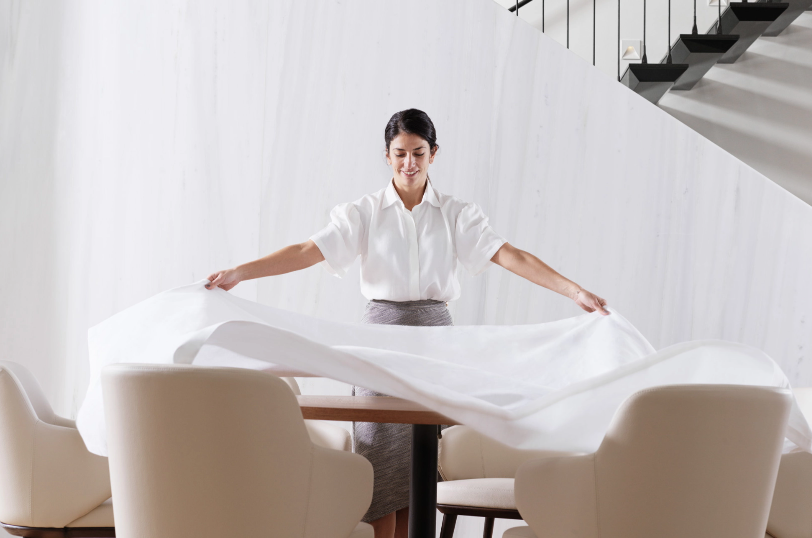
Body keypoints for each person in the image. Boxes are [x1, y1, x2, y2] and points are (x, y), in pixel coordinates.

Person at [205, 108, 608, 538]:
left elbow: (510, 255)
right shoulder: (363, 212)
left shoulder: (456, 213)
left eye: (418, 152)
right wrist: (240, 272)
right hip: (380, 341)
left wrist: (574, 292)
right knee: (379, 461)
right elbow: (308, 250)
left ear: (434, 153)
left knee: (421, 465)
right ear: (387, 155)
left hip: (435, 344)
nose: (409, 163)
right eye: (400, 154)